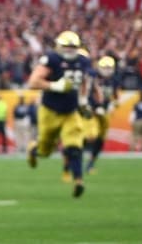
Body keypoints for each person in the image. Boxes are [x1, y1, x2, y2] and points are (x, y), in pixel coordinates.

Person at [27, 30, 91, 198]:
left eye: (73, 47)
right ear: (59, 47)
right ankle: (34, 150)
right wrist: (55, 86)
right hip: (50, 111)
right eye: (66, 47)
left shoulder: (83, 61)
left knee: (74, 146)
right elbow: (33, 81)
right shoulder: (52, 59)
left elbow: (85, 81)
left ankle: (78, 181)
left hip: (71, 111)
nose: (70, 50)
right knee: (45, 151)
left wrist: (83, 101)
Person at [84, 55, 119, 174]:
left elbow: (114, 96)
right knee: (91, 135)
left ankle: (90, 163)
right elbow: (87, 93)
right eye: (105, 67)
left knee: (101, 138)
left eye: (110, 68)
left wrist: (113, 103)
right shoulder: (92, 77)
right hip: (91, 111)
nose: (107, 70)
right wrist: (95, 106)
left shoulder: (113, 80)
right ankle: (73, 152)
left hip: (104, 113)